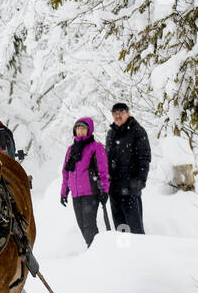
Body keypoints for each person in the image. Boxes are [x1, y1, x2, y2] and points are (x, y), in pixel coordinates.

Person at [59, 117, 110, 247]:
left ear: (89, 130)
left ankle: (95, 251)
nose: (80, 131)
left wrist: (105, 190)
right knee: (82, 225)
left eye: (83, 128)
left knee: (89, 226)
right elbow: (66, 172)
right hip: (76, 194)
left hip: (90, 193)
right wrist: (64, 192)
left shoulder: (96, 147)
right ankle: (95, 248)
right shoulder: (71, 150)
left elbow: (103, 171)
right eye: (78, 128)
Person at [106, 102, 150, 234]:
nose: (118, 116)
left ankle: (141, 253)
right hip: (114, 190)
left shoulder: (138, 131)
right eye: (115, 113)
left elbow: (144, 158)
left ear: (128, 113)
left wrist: (139, 181)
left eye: (121, 113)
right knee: (121, 229)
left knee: (135, 228)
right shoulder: (111, 133)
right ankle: (124, 253)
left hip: (130, 188)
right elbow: (107, 160)